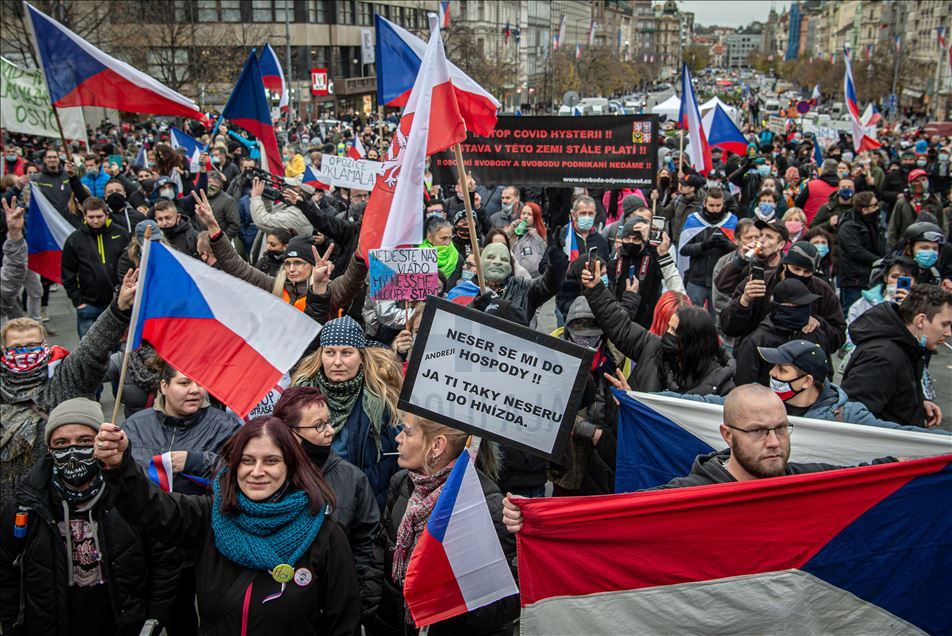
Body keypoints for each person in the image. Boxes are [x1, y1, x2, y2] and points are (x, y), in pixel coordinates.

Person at [94, 417, 363, 634]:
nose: (257, 472)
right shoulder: (210, 516)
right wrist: (120, 466)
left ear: (290, 467)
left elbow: (344, 622)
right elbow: (151, 510)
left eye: (271, 461)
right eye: (247, 460)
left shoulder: (325, 536)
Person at [501, 385, 898, 532]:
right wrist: (536, 516)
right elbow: (611, 515)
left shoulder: (802, 482)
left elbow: (864, 480)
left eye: (781, 429)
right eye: (759, 432)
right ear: (727, 435)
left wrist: (915, 474)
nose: (775, 442)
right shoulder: (689, 495)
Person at [0, 398, 179, 635]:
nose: (72, 451)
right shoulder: (26, 506)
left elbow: (165, 558)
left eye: (84, 441)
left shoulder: (133, 496)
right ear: (50, 449)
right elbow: (6, 573)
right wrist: (13, 625)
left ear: (100, 442)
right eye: (62, 443)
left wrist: (154, 619)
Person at [0, 269, 138, 505]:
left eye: (32, 345)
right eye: (17, 348)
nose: (26, 353)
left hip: (60, 498)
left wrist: (118, 310)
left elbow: (92, 349)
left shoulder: (64, 377)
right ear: (4, 351)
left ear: (45, 345)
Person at [372, 414, 518, 635]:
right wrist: (372, 605)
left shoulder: (487, 506)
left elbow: (500, 604)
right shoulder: (402, 482)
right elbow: (382, 547)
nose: (398, 438)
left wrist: (439, 602)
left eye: (408, 432)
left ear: (437, 446)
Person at [273, 387, 382, 625]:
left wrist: (358, 591)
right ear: (290, 433)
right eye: (319, 425)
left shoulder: (352, 479)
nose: (331, 430)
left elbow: (369, 541)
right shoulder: (270, 478)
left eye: (328, 422)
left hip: (331, 603)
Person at [292, 316, 402, 510]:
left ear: (361, 358)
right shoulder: (299, 398)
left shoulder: (381, 401)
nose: (337, 362)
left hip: (363, 505)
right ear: (321, 355)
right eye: (330, 352)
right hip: (311, 502)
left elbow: (396, 460)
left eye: (346, 353)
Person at [581, 260, 735, 395]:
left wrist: (638, 403)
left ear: (694, 340)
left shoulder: (721, 386)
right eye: (668, 326)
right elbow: (620, 326)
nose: (666, 333)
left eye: (674, 330)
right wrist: (597, 289)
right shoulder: (653, 347)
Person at [196, 196, 365, 318]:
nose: (292, 269)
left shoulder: (328, 291)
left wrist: (361, 252)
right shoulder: (274, 287)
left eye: (299, 263)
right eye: (288, 263)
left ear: (312, 265)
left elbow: (351, 282)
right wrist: (213, 228)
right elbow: (237, 267)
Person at [842, 284, 952, 428]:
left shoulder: (908, 346)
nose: (949, 332)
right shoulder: (882, 358)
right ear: (921, 321)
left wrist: (918, 403)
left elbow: (896, 390)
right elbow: (851, 418)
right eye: (945, 324)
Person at [721, 239, 846, 354]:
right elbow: (728, 327)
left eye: (807, 272)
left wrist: (819, 323)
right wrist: (744, 302)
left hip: (799, 365)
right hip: (754, 355)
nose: (801, 274)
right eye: (796, 268)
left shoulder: (822, 292)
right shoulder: (758, 283)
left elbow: (838, 337)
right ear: (785, 265)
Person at [732, 279, 830, 386]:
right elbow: (744, 384)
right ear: (780, 307)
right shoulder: (757, 341)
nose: (803, 310)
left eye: (806, 305)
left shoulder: (815, 333)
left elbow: (826, 376)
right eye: (797, 305)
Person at [61, 197, 130, 337]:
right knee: (88, 352)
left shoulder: (121, 234)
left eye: (99, 216)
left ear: (107, 214)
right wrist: (78, 301)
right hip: (88, 304)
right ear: (85, 216)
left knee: (117, 350)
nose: (96, 221)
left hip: (117, 302)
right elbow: (68, 272)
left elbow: (130, 264)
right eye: (91, 217)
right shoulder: (75, 239)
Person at [677, 188, 737, 316]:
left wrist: (727, 245)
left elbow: (740, 251)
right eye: (711, 205)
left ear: (723, 203)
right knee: (691, 317)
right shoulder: (693, 220)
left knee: (718, 321)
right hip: (696, 278)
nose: (715, 209)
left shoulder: (731, 221)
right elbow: (683, 249)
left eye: (718, 205)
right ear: (704, 203)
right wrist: (704, 246)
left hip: (722, 280)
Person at [837, 191, 886, 313]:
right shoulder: (849, 226)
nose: (877, 208)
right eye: (874, 205)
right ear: (864, 210)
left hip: (870, 277)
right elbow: (856, 251)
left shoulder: (873, 223)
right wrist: (879, 261)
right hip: (854, 280)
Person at [886, 168, 946, 246]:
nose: (921, 183)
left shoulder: (935, 201)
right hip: (906, 245)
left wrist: (941, 245)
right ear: (910, 183)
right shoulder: (903, 202)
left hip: (930, 244)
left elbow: (943, 226)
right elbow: (893, 228)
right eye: (916, 181)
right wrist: (893, 248)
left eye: (924, 180)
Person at [794, 159, 840, 226]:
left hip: (811, 226)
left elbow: (798, 204)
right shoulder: (842, 187)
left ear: (822, 170)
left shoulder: (811, 185)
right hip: (834, 226)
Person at [899, 221, 946, 285]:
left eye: (935, 249)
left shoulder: (935, 275)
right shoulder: (896, 272)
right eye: (924, 248)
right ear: (910, 249)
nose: (931, 252)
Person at [420, 216, 462, 286]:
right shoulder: (417, 256)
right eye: (443, 238)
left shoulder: (458, 258)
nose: (448, 243)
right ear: (430, 237)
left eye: (450, 238)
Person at [511, 201, 547, 279]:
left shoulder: (540, 234)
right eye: (523, 213)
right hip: (515, 278)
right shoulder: (514, 231)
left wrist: (536, 236)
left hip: (534, 280)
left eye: (529, 214)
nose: (525, 216)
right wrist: (510, 232)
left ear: (535, 218)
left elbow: (545, 253)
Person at [31, 148, 71, 216]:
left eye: (55, 157)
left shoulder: (68, 175)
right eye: (49, 157)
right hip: (50, 217)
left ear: (58, 159)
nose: (52, 159)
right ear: (44, 160)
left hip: (69, 216)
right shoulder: (37, 179)